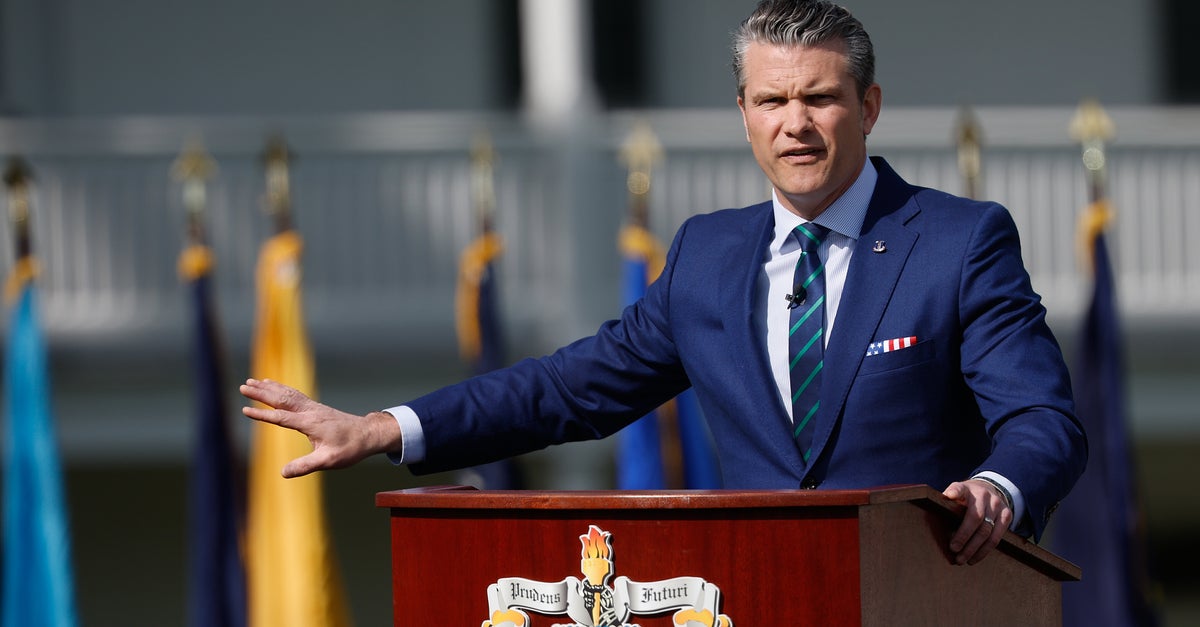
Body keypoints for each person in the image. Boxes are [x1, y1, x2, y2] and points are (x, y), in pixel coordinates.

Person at [240, 0, 1086, 567]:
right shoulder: (706, 257)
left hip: (924, 591)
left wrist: (996, 487)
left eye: (820, 99)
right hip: (758, 598)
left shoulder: (958, 242)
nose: (795, 124)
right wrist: (386, 427)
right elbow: (569, 389)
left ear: (867, 107)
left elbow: (1043, 419)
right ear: (744, 115)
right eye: (772, 101)